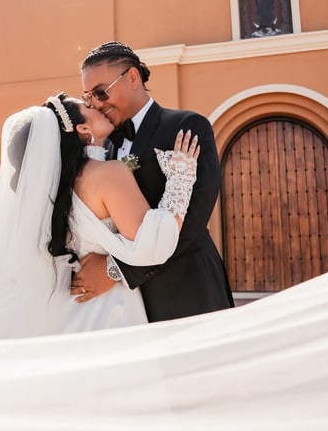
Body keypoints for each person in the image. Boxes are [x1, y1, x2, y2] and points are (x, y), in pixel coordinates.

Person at [0, 92, 201, 336]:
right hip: (108, 310)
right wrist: (181, 177)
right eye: (88, 106)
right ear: (82, 128)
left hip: (63, 308)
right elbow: (152, 243)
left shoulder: (52, 190)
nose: (97, 106)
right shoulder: (109, 174)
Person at [73, 40, 235, 322]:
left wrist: (117, 269)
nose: (96, 103)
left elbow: (196, 213)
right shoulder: (105, 147)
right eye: (88, 98)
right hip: (127, 306)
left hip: (186, 290)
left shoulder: (186, 126)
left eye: (100, 92)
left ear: (132, 77)